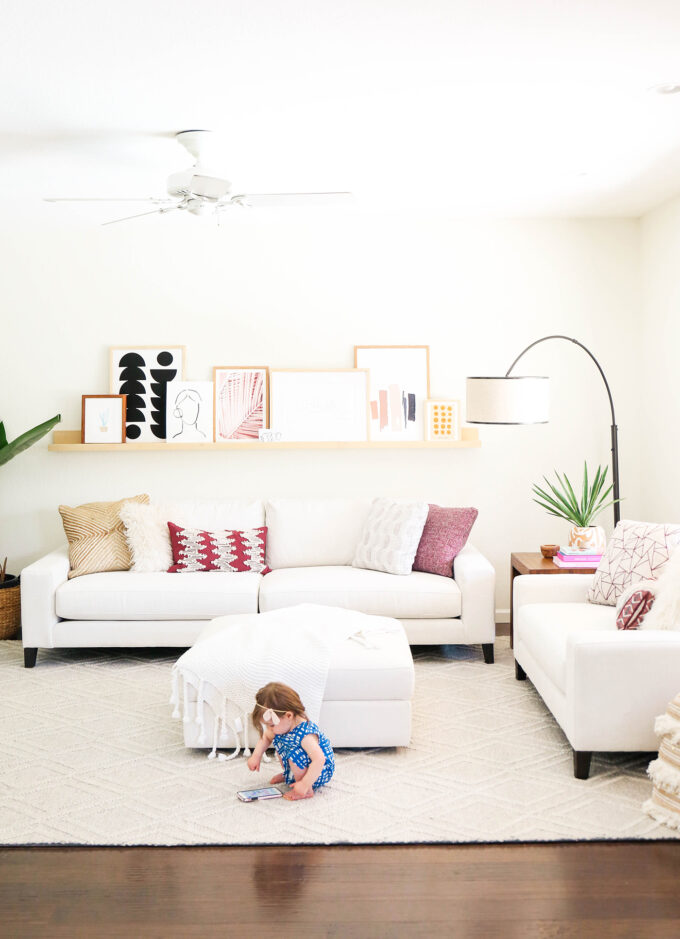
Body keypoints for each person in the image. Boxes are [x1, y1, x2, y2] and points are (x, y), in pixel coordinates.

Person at [247, 682, 335, 801]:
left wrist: (304, 783)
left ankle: (306, 789)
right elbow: (266, 738)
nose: (269, 729)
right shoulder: (282, 726)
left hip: (319, 771)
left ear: (288, 716)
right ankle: (290, 775)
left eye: (271, 725)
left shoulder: (306, 735)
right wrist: (256, 756)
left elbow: (319, 760)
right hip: (307, 765)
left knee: (294, 754)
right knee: (280, 743)